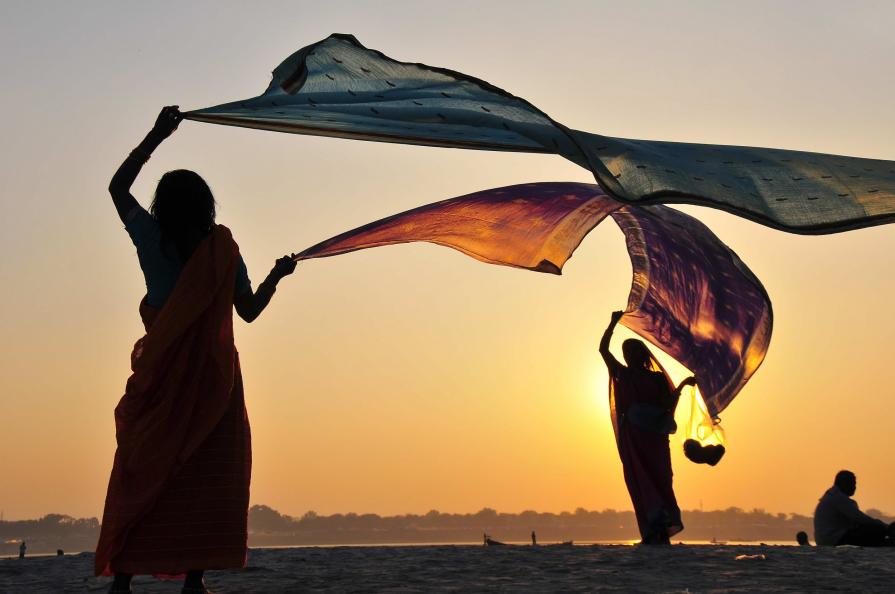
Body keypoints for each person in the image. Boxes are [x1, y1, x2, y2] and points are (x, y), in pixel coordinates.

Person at [95, 106, 297, 594]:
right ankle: (194, 579)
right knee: (205, 472)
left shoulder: (151, 238)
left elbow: (117, 189)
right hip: (213, 382)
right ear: (207, 206)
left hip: (161, 379)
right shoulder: (222, 249)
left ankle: (122, 578)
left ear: (162, 205)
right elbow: (248, 311)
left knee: (144, 468)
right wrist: (278, 275)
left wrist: (156, 135)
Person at [599, 311, 695, 544]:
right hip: (634, 437)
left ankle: (663, 528)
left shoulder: (657, 379)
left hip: (654, 438)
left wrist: (682, 385)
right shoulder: (622, 373)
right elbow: (603, 350)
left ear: (643, 355)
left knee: (662, 479)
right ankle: (652, 531)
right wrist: (612, 323)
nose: (629, 356)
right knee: (640, 479)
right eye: (626, 353)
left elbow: (667, 404)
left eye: (633, 352)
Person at [814, 470, 894, 546]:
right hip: (833, 539)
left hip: (826, 539)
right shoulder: (838, 498)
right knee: (875, 529)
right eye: (853, 484)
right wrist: (883, 526)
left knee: (872, 529)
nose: (854, 487)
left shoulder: (832, 496)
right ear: (844, 484)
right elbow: (860, 518)